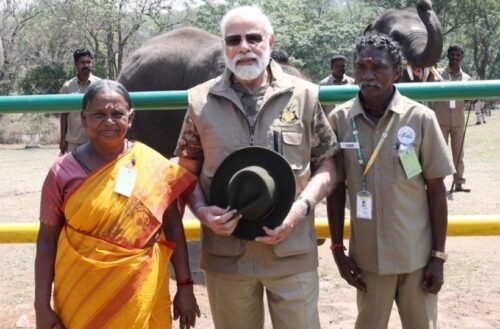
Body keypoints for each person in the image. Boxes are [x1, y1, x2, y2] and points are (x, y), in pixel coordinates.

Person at [175, 6, 338, 329]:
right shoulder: (199, 102)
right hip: (227, 256)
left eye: (254, 38)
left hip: (291, 251)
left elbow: (328, 166)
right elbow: (186, 172)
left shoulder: (303, 96)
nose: (244, 47)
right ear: (224, 47)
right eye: (234, 40)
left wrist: (301, 209)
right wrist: (202, 212)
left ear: (271, 41)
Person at [35, 80, 200, 329]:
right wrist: (41, 306)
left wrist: (185, 287)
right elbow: (47, 240)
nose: (109, 121)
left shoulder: (153, 165)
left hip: (141, 292)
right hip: (80, 296)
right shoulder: (62, 172)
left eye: (117, 114)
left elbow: (174, 227)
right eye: (99, 114)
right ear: (83, 118)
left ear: (131, 118)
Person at [327, 33, 454, 329]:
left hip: (416, 260)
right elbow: (334, 191)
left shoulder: (419, 118)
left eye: (379, 67)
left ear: (397, 71)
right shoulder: (340, 120)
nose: (369, 75)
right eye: (362, 67)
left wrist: (438, 256)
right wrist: (337, 250)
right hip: (367, 263)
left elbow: (436, 190)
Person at [432, 44, 472, 192]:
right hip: (440, 120)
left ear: (462, 57)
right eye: (452, 54)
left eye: (458, 55)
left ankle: (459, 182)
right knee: (439, 153)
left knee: (459, 153)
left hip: (459, 122)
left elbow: (469, 98)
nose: (455, 57)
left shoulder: (467, 78)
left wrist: (473, 98)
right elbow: (429, 83)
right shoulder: (438, 74)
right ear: (448, 56)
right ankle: (438, 183)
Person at [59, 48, 101, 155]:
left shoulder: (100, 84)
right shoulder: (68, 86)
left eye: (88, 62)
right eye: (82, 62)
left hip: (94, 142)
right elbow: (64, 114)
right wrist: (62, 139)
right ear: (76, 64)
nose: (86, 65)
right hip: (73, 142)